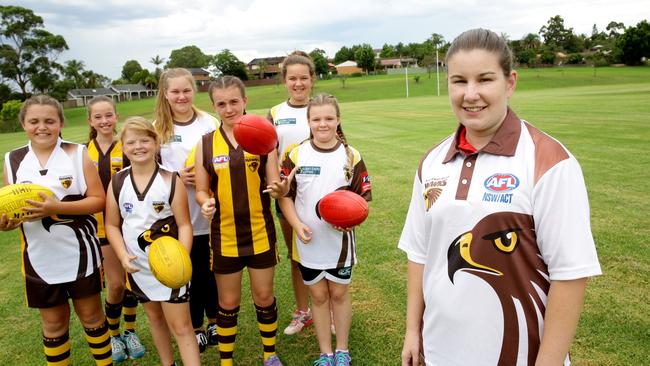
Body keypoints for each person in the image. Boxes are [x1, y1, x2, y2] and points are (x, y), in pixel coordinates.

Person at [398, 28, 602, 366]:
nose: (471, 94)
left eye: (485, 79)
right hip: (439, 353)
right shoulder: (432, 162)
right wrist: (412, 331)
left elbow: (570, 275)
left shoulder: (549, 161)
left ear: (510, 82)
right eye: (459, 81)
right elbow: (419, 254)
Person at [0, 95, 112, 365]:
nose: (42, 127)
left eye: (50, 121)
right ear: (23, 124)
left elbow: (98, 200)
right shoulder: (12, 159)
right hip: (39, 258)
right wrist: (6, 223)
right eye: (34, 121)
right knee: (53, 325)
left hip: (80, 254)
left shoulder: (76, 153)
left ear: (60, 123)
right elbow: (7, 210)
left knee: (92, 318)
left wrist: (55, 208)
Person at [275, 93, 372, 366]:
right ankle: (325, 353)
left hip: (340, 241)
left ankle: (342, 350)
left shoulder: (351, 155)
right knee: (317, 296)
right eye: (316, 119)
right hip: (309, 240)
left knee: (339, 294)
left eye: (329, 118)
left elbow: (362, 201)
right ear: (308, 121)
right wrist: (296, 224)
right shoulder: (295, 153)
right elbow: (285, 195)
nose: (323, 124)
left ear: (338, 120)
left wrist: (350, 220)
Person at [194, 76, 284, 366]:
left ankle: (270, 354)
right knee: (228, 303)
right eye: (221, 103)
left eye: (234, 101)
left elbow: (273, 180)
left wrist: (279, 188)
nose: (229, 108)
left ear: (245, 101)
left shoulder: (263, 136)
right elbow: (200, 189)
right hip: (224, 236)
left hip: (260, 231)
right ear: (213, 106)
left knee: (263, 296)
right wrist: (204, 202)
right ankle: (226, 360)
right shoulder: (206, 144)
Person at [105, 117, 200, 366]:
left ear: (156, 142)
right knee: (155, 319)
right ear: (123, 147)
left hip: (171, 267)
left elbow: (184, 225)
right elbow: (112, 225)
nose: (138, 146)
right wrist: (123, 256)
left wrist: (182, 258)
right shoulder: (117, 182)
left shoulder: (170, 179)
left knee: (181, 326)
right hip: (139, 268)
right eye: (131, 142)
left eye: (145, 140)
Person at [153, 67, 220, 353]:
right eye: (175, 91)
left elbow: (223, 158)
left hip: (209, 211)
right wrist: (178, 177)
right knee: (186, 271)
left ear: (194, 90)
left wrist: (207, 176)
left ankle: (217, 320)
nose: (181, 96)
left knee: (210, 271)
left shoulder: (209, 123)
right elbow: (149, 171)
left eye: (186, 90)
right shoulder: (157, 128)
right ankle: (196, 328)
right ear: (165, 94)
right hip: (177, 217)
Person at [85, 95, 146, 362]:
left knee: (132, 282)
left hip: (131, 225)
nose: (104, 121)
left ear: (116, 116)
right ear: (90, 121)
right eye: (98, 117)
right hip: (101, 228)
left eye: (108, 115)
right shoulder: (81, 151)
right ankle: (113, 334)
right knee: (117, 284)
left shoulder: (128, 146)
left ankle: (130, 332)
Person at [267, 50, 317, 335]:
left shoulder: (323, 107)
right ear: (285, 81)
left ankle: (332, 311)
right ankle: (303, 312)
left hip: (321, 193)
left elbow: (340, 147)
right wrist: (278, 186)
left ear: (312, 80)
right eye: (292, 78)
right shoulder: (275, 113)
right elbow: (269, 154)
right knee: (296, 255)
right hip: (288, 195)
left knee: (328, 253)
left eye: (304, 78)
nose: (298, 84)